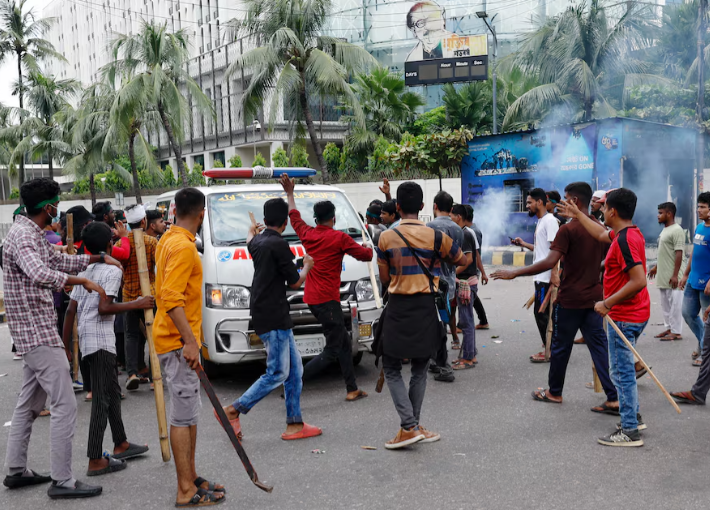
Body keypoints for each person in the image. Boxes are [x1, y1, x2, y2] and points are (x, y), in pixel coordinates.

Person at [2, 178, 121, 499]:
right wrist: (83, 280)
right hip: (37, 332)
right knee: (65, 404)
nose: (59, 208)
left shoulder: (30, 232)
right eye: (56, 202)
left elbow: (56, 261)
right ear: (47, 207)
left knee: (29, 404)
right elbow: (40, 274)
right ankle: (63, 480)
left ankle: (16, 470)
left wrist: (95, 259)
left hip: (33, 331)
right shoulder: (24, 237)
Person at [491, 182, 619, 413]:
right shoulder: (599, 228)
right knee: (599, 347)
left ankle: (555, 392)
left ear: (575, 202)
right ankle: (614, 397)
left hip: (570, 300)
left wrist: (514, 273)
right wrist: (590, 271)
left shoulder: (568, 230)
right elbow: (607, 261)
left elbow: (550, 261)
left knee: (560, 347)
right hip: (593, 299)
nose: (560, 203)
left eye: (565, 199)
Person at [221, 198, 322, 441]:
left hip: (269, 313)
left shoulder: (257, 241)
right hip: (273, 315)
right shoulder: (278, 244)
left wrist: (250, 230)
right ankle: (234, 409)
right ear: (286, 222)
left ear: (265, 221)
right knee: (277, 372)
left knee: (295, 370)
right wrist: (307, 266)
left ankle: (295, 423)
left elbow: (249, 240)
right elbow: (295, 282)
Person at [558, 188, 650, 447]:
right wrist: (578, 214)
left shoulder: (624, 241)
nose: (601, 210)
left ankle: (630, 431)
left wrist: (606, 303)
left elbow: (639, 280)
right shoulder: (627, 233)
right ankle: (633, 418)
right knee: (623, 371)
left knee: (621, 373)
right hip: (633, 312)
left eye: (605, 207)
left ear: (613, 212)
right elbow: (599, 233)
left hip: (625, 315)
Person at [377, 181, 465, 448]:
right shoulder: (435, 237)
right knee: (419, 368)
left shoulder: (386, 237)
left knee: (392, 367)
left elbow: (384, 278)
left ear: (398, 207)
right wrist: (435, 260)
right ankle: (412, 425)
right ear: (423, 206)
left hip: (398, 307)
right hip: (426, 308)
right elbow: (461, 260)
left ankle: (409, 426)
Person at [154, 188, 226, 506]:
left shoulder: (169, 239)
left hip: (174, 340)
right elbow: (171, 298)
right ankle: (185, 490)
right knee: (183, 417)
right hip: (177, 343)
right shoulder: (182, 247)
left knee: (189, 414)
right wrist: (191, 342)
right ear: (202, 214)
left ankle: (191, 477)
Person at [63, 222, 152, 477]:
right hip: (100, 342)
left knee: (112, 392)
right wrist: (137, 303)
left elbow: (70, 311)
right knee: (102, 400)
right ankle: (95, 458)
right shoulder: (112, 270)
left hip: (90, 342)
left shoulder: (85, 270)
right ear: (110, 245)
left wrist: (65, 345)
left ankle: (121, 443)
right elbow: (105, 307)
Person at [280, 174, 372, 401]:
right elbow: (366, 255)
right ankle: (293, 383)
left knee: (343, 343)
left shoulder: (307, 234)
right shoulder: (339, 238)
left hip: (313, 298)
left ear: (316, 218)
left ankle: (352, 388)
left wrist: (290, 194)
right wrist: (368, 246)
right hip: (328, 301)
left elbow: (294, 216)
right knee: (333, 348)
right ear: (333, 218)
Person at [511, 189, 560, 362]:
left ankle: (550, 350)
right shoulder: (542, 221)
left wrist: (554, 274)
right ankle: (550, 347)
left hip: (545, 278)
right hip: (540, 277)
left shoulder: (550, 221)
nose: (527, 206)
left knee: (542, 314)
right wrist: (524, 244)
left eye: (529, 202)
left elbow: (556, 249)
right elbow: (542, 250)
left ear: (540, 202)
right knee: (543, 314)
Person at [427, 191, 463, 381]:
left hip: (433, 284)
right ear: (451, 208)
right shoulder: (458, 229)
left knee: (437, 326)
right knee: (442, 322)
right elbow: (458, 257)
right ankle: (436, 361)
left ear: (435, 206)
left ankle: (443, 366)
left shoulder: (429, 227)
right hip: (449, 283)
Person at [122, 204, 158, 391]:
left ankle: (132, 373)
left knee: (131, 335)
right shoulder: (151, 242)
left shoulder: (122, 243)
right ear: (144, 221)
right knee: (152, 334)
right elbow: (157, 266)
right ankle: (154, 378)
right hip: (149, 295)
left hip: (129, 296)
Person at [450, 204, 484, 368]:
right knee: (466, 320)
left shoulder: (465, 234)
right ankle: (470, 353)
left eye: (451, 215)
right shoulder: (463, 232)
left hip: (466, 282)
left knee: (466, 321)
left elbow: (469, 259)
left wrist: (453, 274)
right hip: (466, 281)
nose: (450, 218)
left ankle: (468, 358)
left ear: (458, 217)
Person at [680, 192, 710, 367]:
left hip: (707, 284)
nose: (698, 210)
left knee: (707, 320)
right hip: (693, 279)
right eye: (698, 206)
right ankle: (703, 342)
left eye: (703, 207)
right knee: (688, 313)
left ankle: (706, 353)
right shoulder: (699, 227)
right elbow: (694, 252)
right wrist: (685, 274)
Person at [648, 202, 685, 341]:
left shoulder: (677, 230)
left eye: (661, 213)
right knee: (665, 305)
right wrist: (656, 268)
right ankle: (669, 328)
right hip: (663, 276)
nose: (658, 216)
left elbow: (679, 253)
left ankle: (676, 332)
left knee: (675, 305)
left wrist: (675, 275)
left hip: (674, 276)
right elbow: (664, 253)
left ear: (669, 214)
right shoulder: (665, 230)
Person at [465, 205, 490, 329]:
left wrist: (482, 272)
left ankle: (465, 324)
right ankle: (483, 321)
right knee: (472, 296)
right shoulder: (469, 230)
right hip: (471, 267)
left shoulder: (472, 231)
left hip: (472, 268)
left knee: (469, 296)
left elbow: (476, 254)